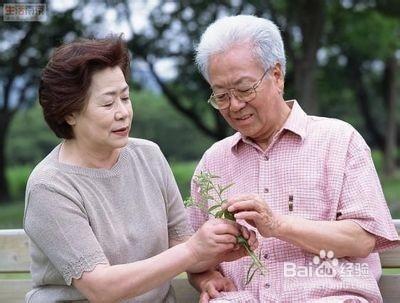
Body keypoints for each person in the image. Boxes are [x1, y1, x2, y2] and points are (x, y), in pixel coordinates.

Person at [23, 36, 258, 303]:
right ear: (69, 113)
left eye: (125, 97)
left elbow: (179, 242)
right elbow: (101, 288)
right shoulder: (50, 187)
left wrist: (215, 254)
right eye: (108, 103)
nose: (123, 112)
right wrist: (194, 251)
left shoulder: (148, 155)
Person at [187, 15, 400, 303]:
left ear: (276, 76)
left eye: (244, 89)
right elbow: (195, 256)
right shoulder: (213, 162)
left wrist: (277, 226)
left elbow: (362, 240)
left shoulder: (338, 141)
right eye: (221, 95)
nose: (234, 105)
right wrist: (205, 277)